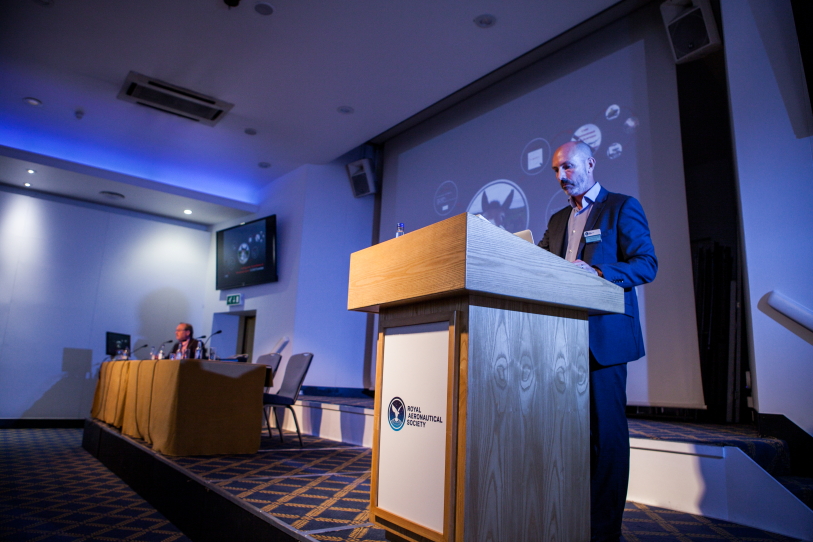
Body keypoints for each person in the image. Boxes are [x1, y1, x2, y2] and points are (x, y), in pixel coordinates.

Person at [538, 141, 657, 542]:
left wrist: (599, 271)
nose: (561, 177)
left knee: (606, 439)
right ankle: (572, 520)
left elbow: (646, 264)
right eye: (556, 170)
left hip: (603, 341)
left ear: (589, 163)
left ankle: (604, 532)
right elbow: (536, 265)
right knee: (572, 438)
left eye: (568, 168)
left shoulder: (621, 207)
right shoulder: (556, 220)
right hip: (561, 342)